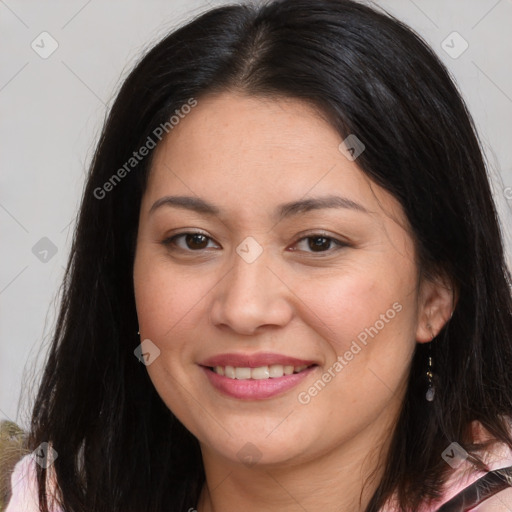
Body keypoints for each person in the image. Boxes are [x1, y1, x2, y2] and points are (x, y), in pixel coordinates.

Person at [6, 0, 512, 511]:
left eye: (318, 242)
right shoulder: (59, 495)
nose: (244, 309)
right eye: (193, 240)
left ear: (436, 294)